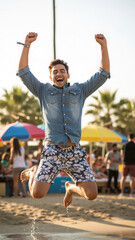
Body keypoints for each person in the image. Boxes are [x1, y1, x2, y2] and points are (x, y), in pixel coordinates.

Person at [17, 32, 110, 207]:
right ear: (51, 77)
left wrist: (103, 47)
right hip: (52, 150)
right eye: (55, 72)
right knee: (37, 194)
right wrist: (27, 45)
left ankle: (70, 188)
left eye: (62, 71)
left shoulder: (80, 90)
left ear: (67, 74)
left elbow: (103, 74)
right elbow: (23, 73)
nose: (59, 74)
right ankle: (33, 171)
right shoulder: (43, 91)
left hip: (75, 151)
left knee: (91, 194)